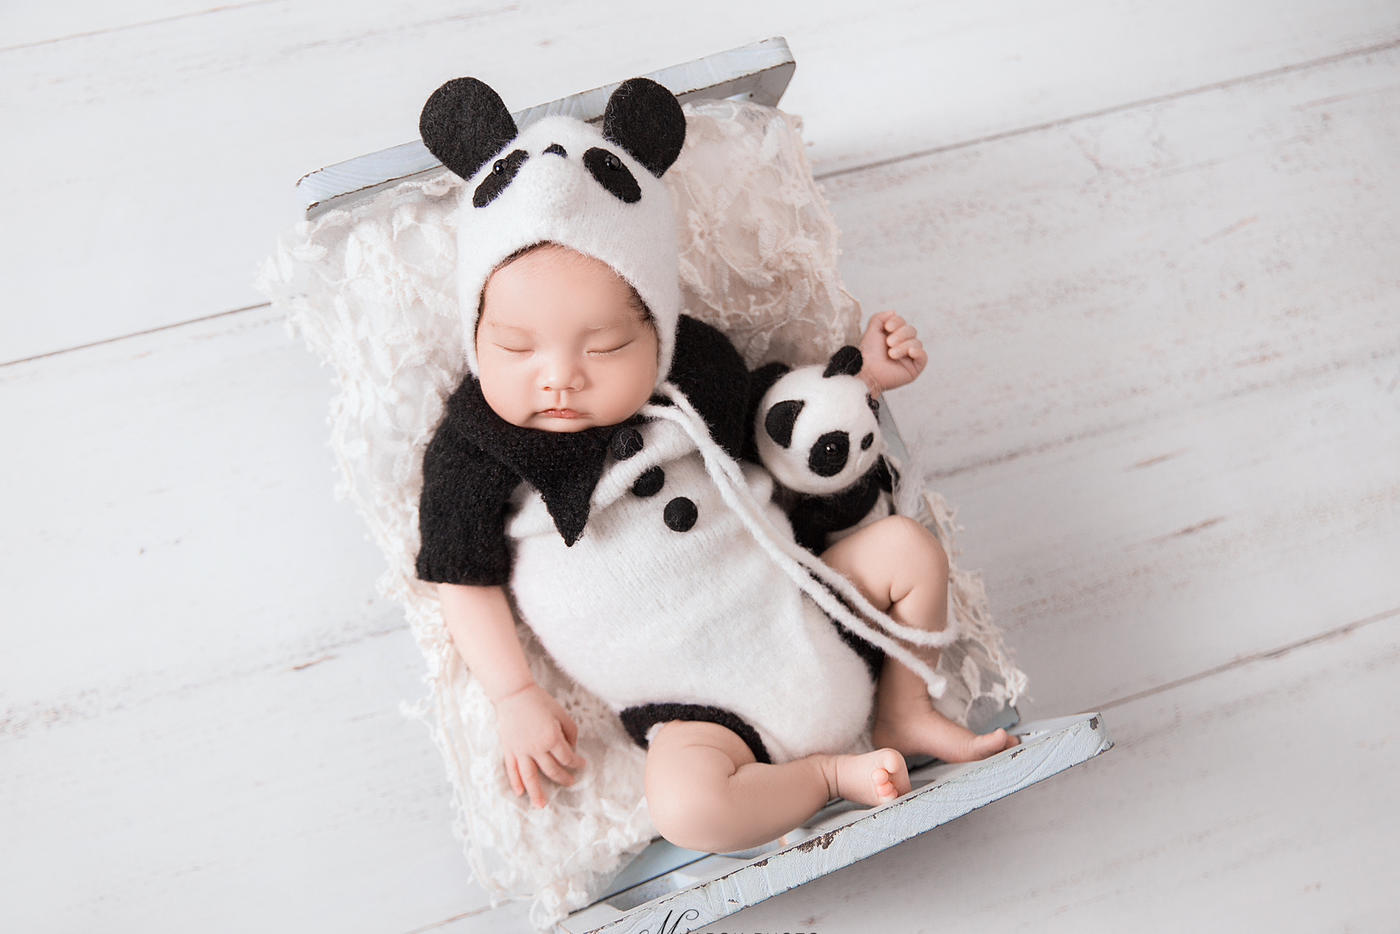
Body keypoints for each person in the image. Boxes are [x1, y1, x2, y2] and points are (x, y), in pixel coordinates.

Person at [414, 76, 1018, 855]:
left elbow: (782, 430)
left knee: (907, 550)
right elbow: (461, 577)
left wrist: (863, 379)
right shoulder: (474, 444)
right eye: (515, 347)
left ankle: (904, 705)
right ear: (476, 336)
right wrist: (513, 695)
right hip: (697, 711)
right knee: (687, 810)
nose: (558, 377)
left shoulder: (698, 371)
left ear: (659, 331)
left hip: (804, 605)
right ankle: (826, 776)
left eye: (606, 347)